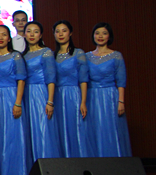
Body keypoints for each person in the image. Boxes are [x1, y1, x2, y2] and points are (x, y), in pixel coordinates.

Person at [0, 25, 30, 175]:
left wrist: (18, 102)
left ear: (9, 38)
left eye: (4, 35)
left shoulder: (16, 56)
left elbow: (21, 80)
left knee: (14, 138)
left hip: (12, 98)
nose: (0, 38)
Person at [86, 23, 130, 157]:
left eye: (104, 33)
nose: (100, 36)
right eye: (97, 33)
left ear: (109, 36)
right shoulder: (86, 56)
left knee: (111, 129)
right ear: (93, 36)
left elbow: (121, 81)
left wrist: (121, 101)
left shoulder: (116, 56)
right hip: (91, 97)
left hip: (110, 97)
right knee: (93, 130)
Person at [22, 21, 62, 161]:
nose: (32, 34)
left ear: (40, 35)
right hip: (26, 95)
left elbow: (51, 78)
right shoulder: (22, 55)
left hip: (41, 94)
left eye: (36, 31)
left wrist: (50, 101)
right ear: (24, 35)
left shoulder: (46, 52)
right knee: (30, 131)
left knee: (43, 130)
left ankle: (48, 166)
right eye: (29, 31)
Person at [52, 20, 91, 158]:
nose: (60, 34)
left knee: (76, 129)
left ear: (70, 33)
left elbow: (83, 79)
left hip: (73, 95)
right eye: (57, 31)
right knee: (59, 130)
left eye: (64, 31)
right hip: (57, 96)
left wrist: (83, 102)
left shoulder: (78, 53)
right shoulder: (52, 55)